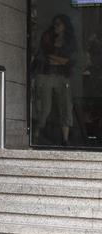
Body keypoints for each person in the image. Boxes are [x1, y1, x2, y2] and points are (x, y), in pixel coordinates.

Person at [34, 14, 76, 145]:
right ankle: (35, 135)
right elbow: (45, 55)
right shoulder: (47, 36)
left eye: (59, 24)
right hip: (46, 74)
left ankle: (65, 139)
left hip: (62, 76)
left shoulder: (70, 40)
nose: (56, 26)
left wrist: (58, 60)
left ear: (65, 25)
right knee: (44, 107)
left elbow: (70, 60)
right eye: (55, 23)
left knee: (66, 106)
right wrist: (61, 60)